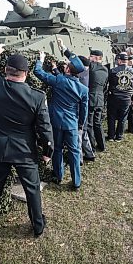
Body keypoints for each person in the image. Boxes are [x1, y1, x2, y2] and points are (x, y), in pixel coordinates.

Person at [0, 44, 53, 237]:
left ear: (6, 70)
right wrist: (48, 151)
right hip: (24, 151)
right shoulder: (37, 97)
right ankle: (38, 226)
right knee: (32, 191)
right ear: (26, 73)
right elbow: (44, 128)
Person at [34, 39, 88, 191]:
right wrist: (80, 124)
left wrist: (40, 60)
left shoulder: (58, 80)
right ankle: (76, 182)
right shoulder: (83, 90)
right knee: (74, 152)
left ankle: (58, 176)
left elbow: (38, 73)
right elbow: (84, 110)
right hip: (71, 123)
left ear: (68, 70)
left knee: (57, 149)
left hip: (56, 122)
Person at [106, 52, 133, 142]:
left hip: (113, 97)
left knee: (111, 117)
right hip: (126, 98)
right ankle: (119, 136)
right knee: (123, 118)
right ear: (127, 61)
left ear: (119, 61)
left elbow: (107, 84)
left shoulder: (112, 71)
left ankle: (111, 136)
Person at [87, 49, 109, 152]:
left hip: (91, 99)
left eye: (91, 56)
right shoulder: (105, 70)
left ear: (96, 58)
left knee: (90, 124)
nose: (89, 58)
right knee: (98, 123)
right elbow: (104, 86)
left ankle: (92, 147)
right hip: (100, 99)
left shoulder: (92, 67)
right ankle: (102, 145)